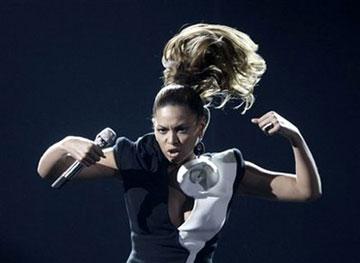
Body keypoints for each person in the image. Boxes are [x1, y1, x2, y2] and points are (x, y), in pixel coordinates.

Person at [37, 23, 322, 263]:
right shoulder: (136, 159)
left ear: (201, 125)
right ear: (153, 126)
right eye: (162, 130)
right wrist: (66, 144)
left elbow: (304, 191)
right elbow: (48, 171)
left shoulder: (225, 170)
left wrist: (294, 137)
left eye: (181, 129)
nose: (170, 140)